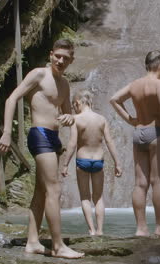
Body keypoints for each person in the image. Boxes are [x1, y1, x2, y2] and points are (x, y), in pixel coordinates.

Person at [0, 39, 84, 259]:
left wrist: (69, 117)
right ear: (51, 54)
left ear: (72, 60)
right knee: (54, 189)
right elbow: (12, 98)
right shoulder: (38, 74)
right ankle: (57, 246)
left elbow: (68, 116)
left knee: (42, 191)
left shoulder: (64, 84)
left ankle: (33, 242)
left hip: (54, 138)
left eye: (66, 57)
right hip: (40, 135)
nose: (61, 60)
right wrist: (7, 132)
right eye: (58, 56)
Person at [110, 50, 160, 239]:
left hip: (139, 133)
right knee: (158, 181)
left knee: (140, 183)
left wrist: (131, 120)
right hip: (157, 132)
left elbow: (114, 99)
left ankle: (141, 229)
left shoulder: (135, 85)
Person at [62, 89, 123, 236]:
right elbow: (109, 142)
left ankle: (91, 230)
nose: (73, 109)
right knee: (98, 197)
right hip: (98, 161)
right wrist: (117, 163)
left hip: (82, 161)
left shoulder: (76, 119)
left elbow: (72, 143)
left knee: (85, 197)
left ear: (78, 103)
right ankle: (101, 230)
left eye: (73, 105)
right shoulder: (101, 119)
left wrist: (65, 164)